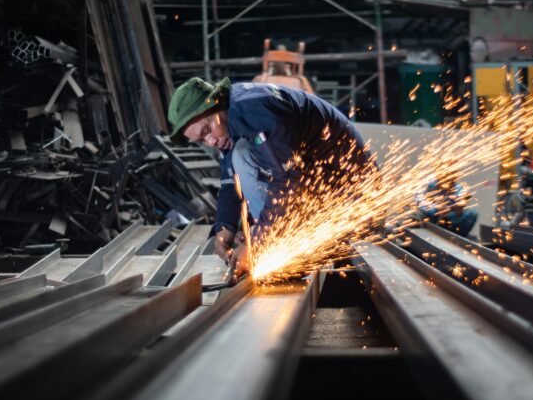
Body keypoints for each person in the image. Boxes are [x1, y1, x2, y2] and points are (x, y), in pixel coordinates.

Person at [167, 76, 373, 275]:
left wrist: (257, 242)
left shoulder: (255, 111)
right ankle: (272, 243)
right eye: (202, 139)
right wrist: (224, 227)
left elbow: (287, 182)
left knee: (242, 155)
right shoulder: (229, 121)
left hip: (350, 194)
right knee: (240, 155)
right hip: (321, 181)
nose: (210, 141)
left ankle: (277, 248)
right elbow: (231, 182)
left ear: (216, 104)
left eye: (206, 130)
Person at [416, 168, 477, 237]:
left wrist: (460, 205)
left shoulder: (457, 187)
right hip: (431, 217)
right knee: (419, 214)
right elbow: (419, 200)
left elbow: (461, 200)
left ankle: (459, 236)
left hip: (448, 218)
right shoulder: (430, 185)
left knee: (472, 213)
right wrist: (435, 208)